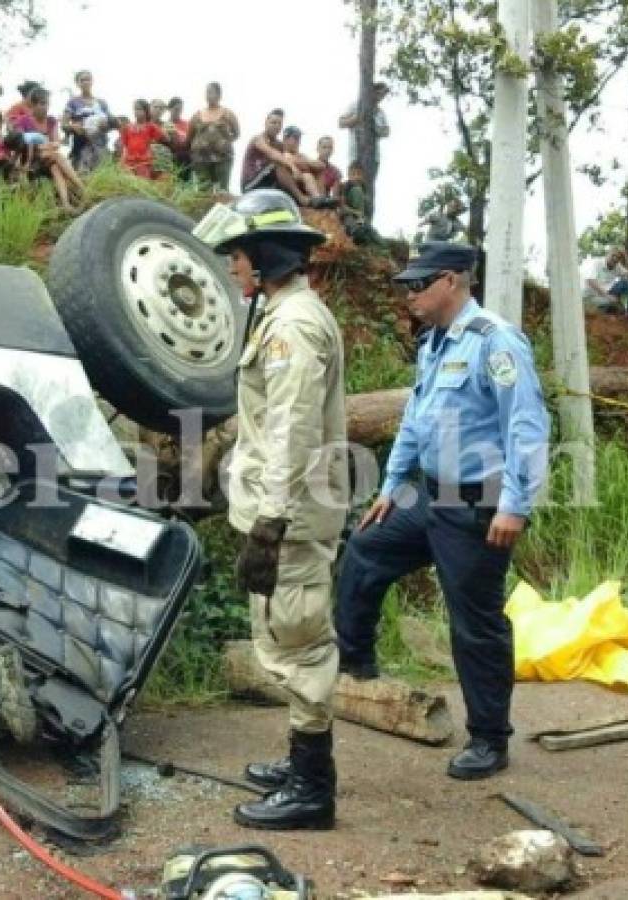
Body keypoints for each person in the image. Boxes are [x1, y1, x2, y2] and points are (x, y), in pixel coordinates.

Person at [335, 242, 550, 781]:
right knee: (366, 549)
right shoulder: (434, 343)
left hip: (478, 502)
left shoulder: (494, 343)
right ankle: (355, 661)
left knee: (474, 621)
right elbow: (414, 419)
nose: (410, 295)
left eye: (419, 284)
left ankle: (489, 738)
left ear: (452, 282)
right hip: (429, 492)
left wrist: (515, 505)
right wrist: (389, 486)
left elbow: (526, 425)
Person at [192, 190, 347, 830]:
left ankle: (313, 789)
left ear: (266, 257)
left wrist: (272, 519)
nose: (233, 269)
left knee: (302, 642)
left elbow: (293, 428)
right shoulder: (281, 316)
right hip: (281, 510)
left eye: (238, 256)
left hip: (292, 516)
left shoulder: (294, 327)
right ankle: (301, 761)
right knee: (285, 636)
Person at [10, 88, 84, 211]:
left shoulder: (51, 121)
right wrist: (45, 146)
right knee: (56, 156)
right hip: (30, 162)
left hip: (47, 158)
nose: (45, 107)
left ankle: (66, 204)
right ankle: (82, 188)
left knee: (55, 167)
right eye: (42, 103)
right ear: (33, 105)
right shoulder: (23, 121)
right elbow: (22, 143)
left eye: (47, 103)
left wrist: (46, 146)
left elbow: (57, 142)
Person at [241, 111, 327, 208]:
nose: (276, 126)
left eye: (279, 124)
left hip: (268, 182)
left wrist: (304, 166)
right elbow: (272, 153)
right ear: (266, 122)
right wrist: (292, 166)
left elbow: (318, 165)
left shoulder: (280, 145)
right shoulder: (258, 139)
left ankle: (320, 199)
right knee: (279, 163)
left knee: (309, 172)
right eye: (273, 122)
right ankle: (301, 198)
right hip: (250, 184)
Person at [338, 81, 390, 220]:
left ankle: (367, 220)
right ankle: (353, 218)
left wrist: (375, 126)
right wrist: (358, 117)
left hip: (374, 157)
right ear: (372, 91)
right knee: (355, 186)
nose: (381, 97)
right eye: (379, 93)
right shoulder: (356, 105)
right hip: (356, 153)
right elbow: (341, 122)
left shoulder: (381, 112)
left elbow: (386, 131)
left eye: (383, 95)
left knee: (369, 187)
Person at [187, 81, 240, 191]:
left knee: (223, 190)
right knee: (204, 191)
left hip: (223, 158)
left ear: (219, 95)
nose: (208, 95)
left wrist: (226, 137)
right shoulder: (197, 115)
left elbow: (237, 134)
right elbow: (190, 136)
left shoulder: (228, 114)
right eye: (207, 92)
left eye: (211, 92)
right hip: (200, 159)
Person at [62, 70, 114, 173]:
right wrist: (73, 127)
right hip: (80, 146)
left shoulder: (102, 103)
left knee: (102, 180)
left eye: (88, 79)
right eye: (82, 80)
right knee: (82, 178)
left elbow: (111, 123)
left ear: (92, 81)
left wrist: (106, 125)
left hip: (100, 146)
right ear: (77, 83)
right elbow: (64, 124)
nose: (85, 82)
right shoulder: (72, 102)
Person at [280, 126, 331, 206]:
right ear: (285, 139)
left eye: (299, 139)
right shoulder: (282, 153)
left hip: (302, 181)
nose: (298, 142)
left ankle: (321, 198)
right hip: (289, 182)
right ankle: (316, 197)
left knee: (315, 172)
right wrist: (305, 164)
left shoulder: (300, 155)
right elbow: (294, 162)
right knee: (307, 176)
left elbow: (320, 165)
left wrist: (306, 163)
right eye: (295, 138)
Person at [117, 99, 167, 179]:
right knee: (127, 182)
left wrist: (156, 141)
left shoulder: (150, 126)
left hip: (144, 161)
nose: (136, 112)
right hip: (129, 161)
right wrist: (122, 160)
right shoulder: (128, 127)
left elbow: (164, 138)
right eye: (135, 109)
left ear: (146, 111)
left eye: (139, 109)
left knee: (143, 183)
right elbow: (125, 146)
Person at [582, 247, 628, 314]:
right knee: (610, 302)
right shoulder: (596, 262)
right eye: (613, 255)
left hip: (603, 296)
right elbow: (590, 281)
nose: (615, 259)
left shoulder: (617, 266)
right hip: (589, 297)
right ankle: (604, 308)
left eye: (618, 258)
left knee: (626, 283)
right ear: (607, 254)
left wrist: (627, 257)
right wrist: (607, 296)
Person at [168, 97, 191, 178]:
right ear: (169, 109)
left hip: (185, 159)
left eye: (181, 110)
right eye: (176, 109)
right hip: (169, 159)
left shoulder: (187, 124)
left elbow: (190, 141)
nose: (178, 112)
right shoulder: (165, 125)